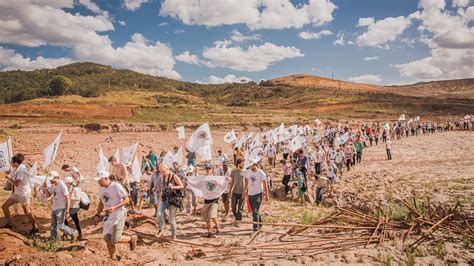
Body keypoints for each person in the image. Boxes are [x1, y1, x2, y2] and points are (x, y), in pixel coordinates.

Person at [92, 171, 138, 260]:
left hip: (119, 213)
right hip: (109, 216)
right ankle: (112, 257)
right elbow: (101, 202)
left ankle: (131, 239)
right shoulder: (101, 189)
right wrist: (97, 215)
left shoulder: (116, 186)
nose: (98, 182)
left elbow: (126, 200)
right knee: (107, 238)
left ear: (106, 179)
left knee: (115, 239)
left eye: (100, 180)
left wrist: (114, 207)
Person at [1, 154, 39, 235]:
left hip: (23, 194)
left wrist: (9, 178)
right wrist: (9, 173)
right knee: (4, 206)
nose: (10, 163)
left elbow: (17, 183)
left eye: (11, 161)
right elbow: (11, 174)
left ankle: (35, 227)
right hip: (17, 193)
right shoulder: (15, 168)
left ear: (16, 162)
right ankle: (10, 223)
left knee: (27, 212)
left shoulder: (22, 170)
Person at [42, 171, 78, 242]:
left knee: (61, 226)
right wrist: (45, 189)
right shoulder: (53, 185)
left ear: (57, 177)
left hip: (61, 208)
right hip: (54, 207)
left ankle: (73, 232)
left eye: (52, 179)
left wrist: (67, 211)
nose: (50, 180)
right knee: (53, 227)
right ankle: (53, 241)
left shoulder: (62, 185)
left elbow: (67, 198)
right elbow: (49, 195)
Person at [156, 164, 184, 240]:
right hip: (164, 198)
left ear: (168, 169)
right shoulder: (163, 177)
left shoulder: (174, 176)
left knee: (172, 219)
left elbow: (182, 186)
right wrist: (159, 199)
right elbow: (163, 188)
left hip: (173, 199)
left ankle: (174, 235)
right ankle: (161, 228)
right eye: (161, 172)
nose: (162, 173)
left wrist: (173, 187)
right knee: (159, 214)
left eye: (164, 171)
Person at [244, 160, 269, 232]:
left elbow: (265, 184)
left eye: (252, 165)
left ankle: (255, 227)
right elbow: (246, 182)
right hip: (250, 194)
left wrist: (267, 195)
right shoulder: (248, 172)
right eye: (250, 165)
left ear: (255, 165)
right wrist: (244, 191)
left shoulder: (261, 173)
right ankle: (260, 221)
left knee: (255, 211)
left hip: (258, 193)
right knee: (254, 211)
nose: (251, 166)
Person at [201, 162, 220, 238]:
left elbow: (221, 184)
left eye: (209, 168)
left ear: (212, 169)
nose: (207, 170)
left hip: (214, 199)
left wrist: (227, 180)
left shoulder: (216, 178)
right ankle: (209, 232)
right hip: (207, 199)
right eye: (206, 168)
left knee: (212, 215)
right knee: (207, 218)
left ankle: (217, 225)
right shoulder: (203, 178)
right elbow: (198, 184)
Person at [229, 159, 245, 224]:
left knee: (240, 208)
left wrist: (245, 191)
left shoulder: (245, 172)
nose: (243, 164)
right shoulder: (233, 171)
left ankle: (238, 221)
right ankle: (236, 216)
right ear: (238, 164)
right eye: (242, 163)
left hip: (242, 192)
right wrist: (230, 190)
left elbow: (247, 182)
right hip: (235, 191)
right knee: (233, 207)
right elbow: (232, 181)